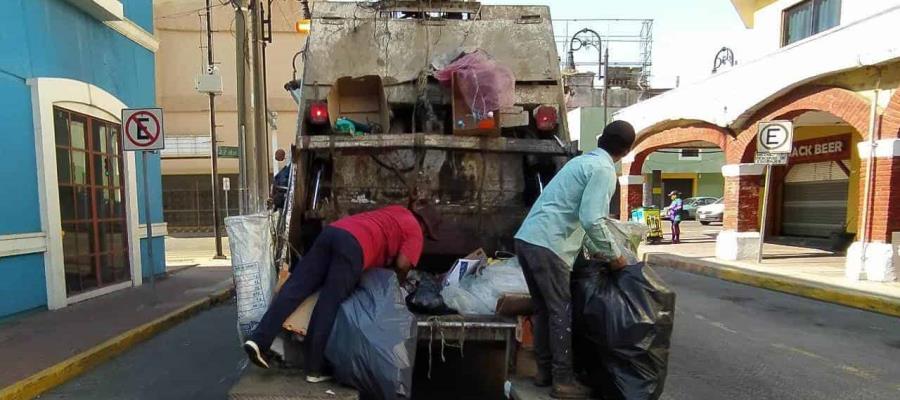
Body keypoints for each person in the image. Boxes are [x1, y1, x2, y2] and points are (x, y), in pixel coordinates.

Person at [242, 201, 440, 382]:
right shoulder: (415, 230)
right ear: (425, 226)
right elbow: (403, 264)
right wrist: (398, 287)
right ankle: (314, 369)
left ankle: (259, 340)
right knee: (329, 302)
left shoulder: (397, 211)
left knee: (295, 288)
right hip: (354, 248)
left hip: (333, 232)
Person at [514, 121, 636, 400]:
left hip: (527, 240)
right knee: (560, 311)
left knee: (544, 310)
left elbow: (580, 215)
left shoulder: (581, 162)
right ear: (627, 151)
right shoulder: (604, 169)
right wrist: (616, 256)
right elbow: (592, 218)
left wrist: (599, 249)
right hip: (550, 245)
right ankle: (563, 381)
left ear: (601, 138)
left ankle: (544, 373)